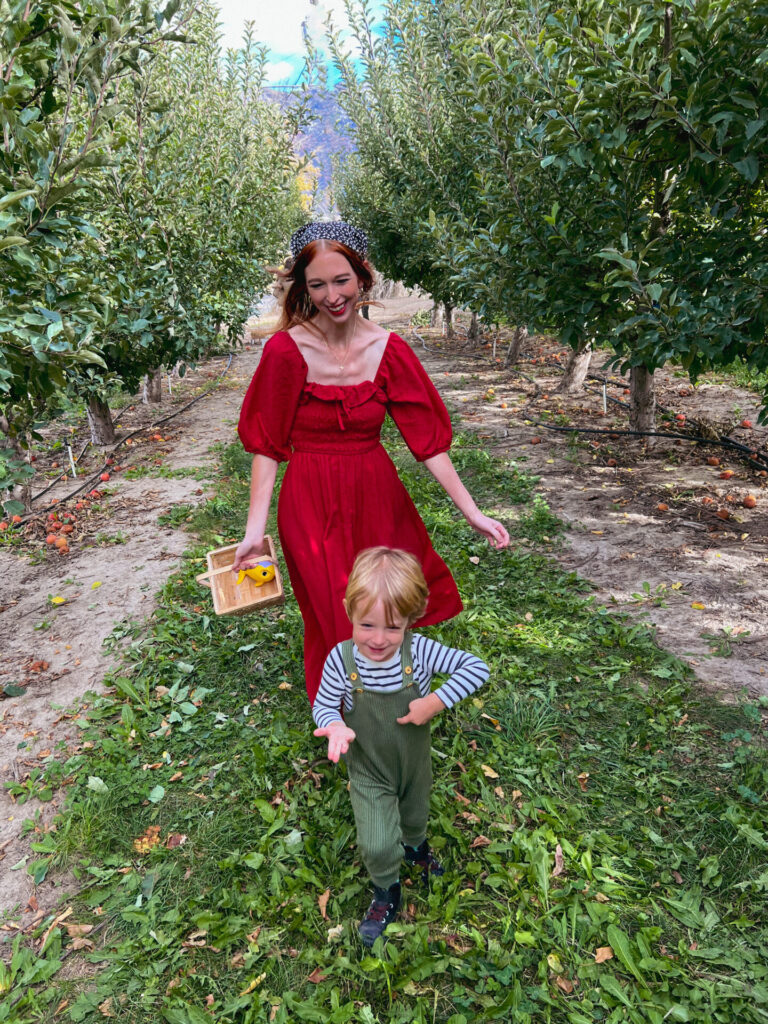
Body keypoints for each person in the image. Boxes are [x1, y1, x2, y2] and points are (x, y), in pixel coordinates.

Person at [234, 220, 508, 703]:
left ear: (363, 277)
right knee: (331, 611)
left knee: (382, 607)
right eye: (316, 285)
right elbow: (266, 446)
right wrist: (255, 530)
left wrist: (473, 512)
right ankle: (339, 718)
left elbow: (429, 443)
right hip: (309, 500)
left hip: (377, 495)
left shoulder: (389, 350)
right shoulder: (284, 351)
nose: (331, 295)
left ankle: (389, 705)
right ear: (302, 287)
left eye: (341, 280)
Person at [313, 546, 489, 947]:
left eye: (393, 627)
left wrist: (435, 701)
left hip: (414, 762)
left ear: (412, 620)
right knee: (376, 841)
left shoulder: (419, 651)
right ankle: (386, 890)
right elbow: (324, 704)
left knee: (415, 812)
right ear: (348, 611)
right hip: (369, 767)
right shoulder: (341, 660)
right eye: (367, 625)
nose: (378, 639)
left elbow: (477, 667)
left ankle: (415, 848)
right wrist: (335, 724)